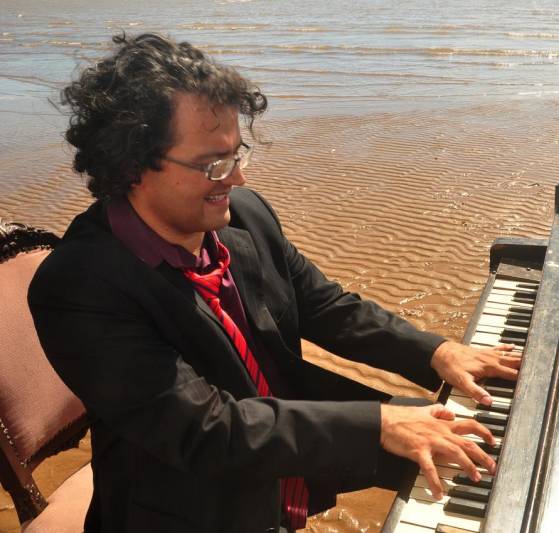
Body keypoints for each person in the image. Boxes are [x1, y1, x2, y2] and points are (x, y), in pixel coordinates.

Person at [27, 33, 520, 533]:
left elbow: (324, 306)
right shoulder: (80, 285)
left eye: (237, 154)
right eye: (213, 164)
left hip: (283, 436)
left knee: (495, 448)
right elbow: (206, 430)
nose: (237, 179)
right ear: (132, 165)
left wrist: (437, 353)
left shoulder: (244, 217)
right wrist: (379, 424)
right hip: (192, 505)